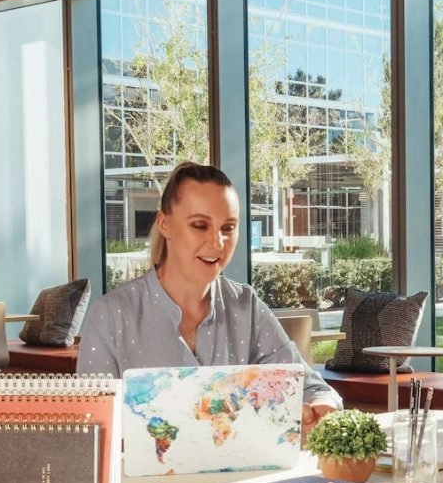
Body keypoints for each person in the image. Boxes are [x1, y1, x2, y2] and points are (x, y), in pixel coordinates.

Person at [78, 162, 341, 432]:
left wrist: (321, 405)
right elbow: (91, 434)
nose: (217, 243)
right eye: (200, 225)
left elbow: (311, 388)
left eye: (227, 228)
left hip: (245, 475)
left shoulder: (246, 306)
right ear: (164, 224)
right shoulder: (110, 315)